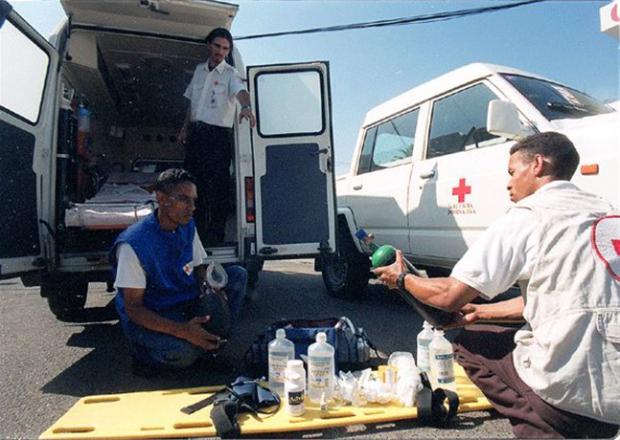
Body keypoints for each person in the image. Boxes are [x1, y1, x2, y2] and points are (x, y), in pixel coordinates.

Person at [374, 132, 619, 438]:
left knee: (468, 343)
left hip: (572, 394)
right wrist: (482, 311)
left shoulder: (530, 215)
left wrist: (402, 279)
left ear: (538, 165)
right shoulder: (609, 213)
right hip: (616, 401)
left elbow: (449, 295)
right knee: (485, 327)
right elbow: (563, 297)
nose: (508, 183)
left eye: (513, 172)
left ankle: (545, 425)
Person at [110, 168, 247, 376]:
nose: (191, 208)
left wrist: (209, 291)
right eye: (184, 199)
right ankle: (145, 355)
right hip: (154, 313)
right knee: (183, 353)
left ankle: (210, 346)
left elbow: (199, 265)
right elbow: (134, 310)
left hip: (183, 301)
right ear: (161, 198)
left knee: (237, 276)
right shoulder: (133, 245)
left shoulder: (186, 224)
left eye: (194, 200)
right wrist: (183, 330)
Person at [178, 27, 256, 246]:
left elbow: (241, 91)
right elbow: (192, 102)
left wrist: (247, 107)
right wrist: (185, 128)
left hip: (217, 137)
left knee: (218, 189)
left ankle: (216, 237)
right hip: (196, 135)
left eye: (225, 48)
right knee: (193, 187)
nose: (220, 51)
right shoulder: (199, 71)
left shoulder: (230, 74)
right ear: (209, 45)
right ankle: (197, 236)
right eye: (217, 46)